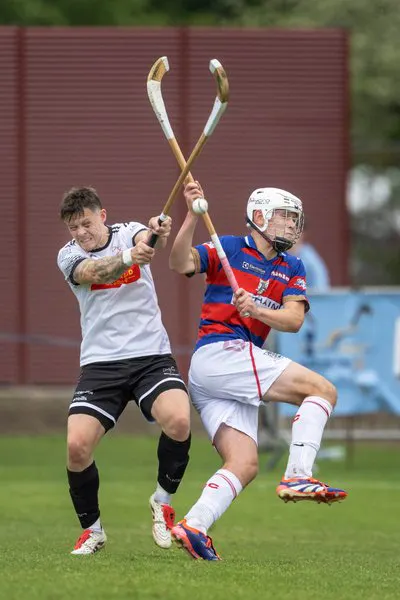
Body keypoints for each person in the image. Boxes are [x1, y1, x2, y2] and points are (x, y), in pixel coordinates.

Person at [168, 183, 347, 561]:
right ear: (260, 216)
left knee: (244, 463)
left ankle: (194, 525)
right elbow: (179, 263)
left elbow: (294, 320)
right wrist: (191, 215)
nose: (292, 225)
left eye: (295, 219)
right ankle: (299, 474)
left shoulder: (292, 265)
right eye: (285, 217)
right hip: (220, 353)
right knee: (323, 391)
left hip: (228, 370)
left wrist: (257, 309)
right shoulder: (229, 248)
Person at [57, 186, 191, 555]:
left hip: (151, 357)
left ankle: (162, 502)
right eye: (73, 227)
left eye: (86, 223)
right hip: (100, 364)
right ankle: (93, 531)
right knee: (76, 446)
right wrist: (131, 257)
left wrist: (156, 233)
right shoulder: (68, 255)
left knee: (179, 420)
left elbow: (146, 239)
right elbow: (91, 271)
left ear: (102, 215)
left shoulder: (128, 230)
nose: (81, 233)